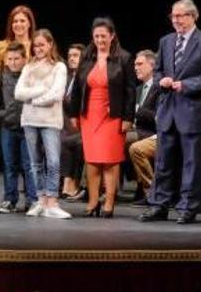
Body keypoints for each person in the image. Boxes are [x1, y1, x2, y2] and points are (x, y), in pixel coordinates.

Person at [138, 0, 201, 225]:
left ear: (193, 16)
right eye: (173, 16)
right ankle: (159, 205)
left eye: (181, 16)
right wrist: (162, 80)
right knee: (163, 162)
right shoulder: (166, 42)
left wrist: (186, 85)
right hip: (168, 112)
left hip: (194, 113)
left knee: (192, 164)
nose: (176, 20)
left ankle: (188, 207)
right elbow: (157, 72)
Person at [69, 17, 136, 218]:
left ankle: (109, 202)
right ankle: (92, 200)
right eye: (96, 36)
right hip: (89, 115)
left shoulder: (123, 58)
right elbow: (77, 90)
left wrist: (127, 118)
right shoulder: (87, 57)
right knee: (92, 160)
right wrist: (73, 113)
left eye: (104, 36)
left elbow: (130, 91)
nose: (100, 40)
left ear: (112, 36)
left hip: (112, 116)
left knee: (110, 160)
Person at [14, 29, 70, 219]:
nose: (38, 48)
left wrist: (34, 100)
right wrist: (39, 90)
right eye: (36, 45)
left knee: (53, 161)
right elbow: (18, 93)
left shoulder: (59, 67)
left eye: (42, 45)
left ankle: (52, 201)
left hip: (50, 121)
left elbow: (56, 94)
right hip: (29, 120)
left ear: (50, 45)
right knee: (35, 163)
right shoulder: (28, 66)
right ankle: (40, 200)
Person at [0, 41, 37, 213]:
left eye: (16, 58)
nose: (13, 62)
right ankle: (9, 198)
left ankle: (32, 199)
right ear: (5, 60)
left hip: (27, 126)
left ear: (24, 59)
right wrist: (2, 115)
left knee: (29, 164)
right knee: (9, 164)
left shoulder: (30, 76)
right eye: (10, 59)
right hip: (8, 126)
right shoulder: (0, 78)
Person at [128, 50, 160, 206]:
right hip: (134, 130)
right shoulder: (138, 89)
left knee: (122, 142)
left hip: (151, 133)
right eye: (134, 64)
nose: (135, 67)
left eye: (139, 64)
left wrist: (138, 110)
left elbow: (159, 118)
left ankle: (152, 191)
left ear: (152, 66)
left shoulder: (160, 87)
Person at [60, 43, 86, 202]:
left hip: (83, 125)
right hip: (66, 125)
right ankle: (66, 182)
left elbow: (80, 105)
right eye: (69, 56)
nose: (71, 59)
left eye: (75, 55)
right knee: (63, 140)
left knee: (73, 142)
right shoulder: (67, 78)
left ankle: (71, 182)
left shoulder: (86, 78)